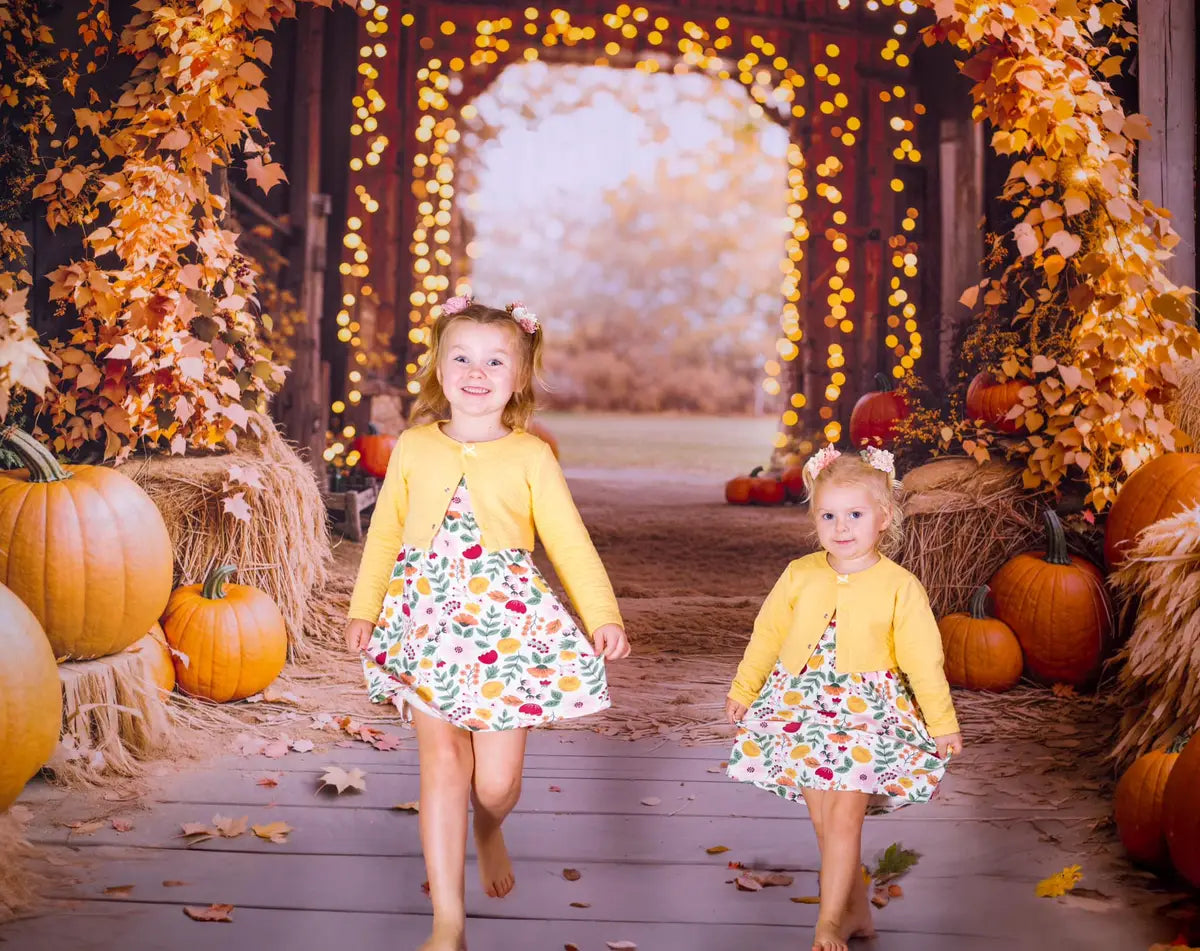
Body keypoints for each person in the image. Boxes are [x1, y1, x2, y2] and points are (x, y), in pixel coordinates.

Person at [343, 296, 630, 951]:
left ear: (521, 376)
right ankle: (448, 920)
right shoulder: (413, 446)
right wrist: (366, 608)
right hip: (425, 620)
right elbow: (385, 532)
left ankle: (489, 824)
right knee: (442, 762)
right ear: (440, 372)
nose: (477, 370)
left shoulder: (530, 456)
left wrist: (602, 614)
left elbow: (570, 541)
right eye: (462, 357)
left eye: (495, 359)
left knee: (494, 780)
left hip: (507, 627)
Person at [724, 445, 962, 951]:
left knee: (844, 817)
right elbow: (766, 634)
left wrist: (942, 722)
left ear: (884, 517)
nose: (841, 526)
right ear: (815, 519)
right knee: (821, 819)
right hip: (800, 708)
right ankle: (856, 914)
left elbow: (924, 659)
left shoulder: (901, 587)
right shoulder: (800, 574)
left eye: (855, 514)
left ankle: (827, 922)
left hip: (866, 714)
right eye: (828, 515)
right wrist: (745, 688)